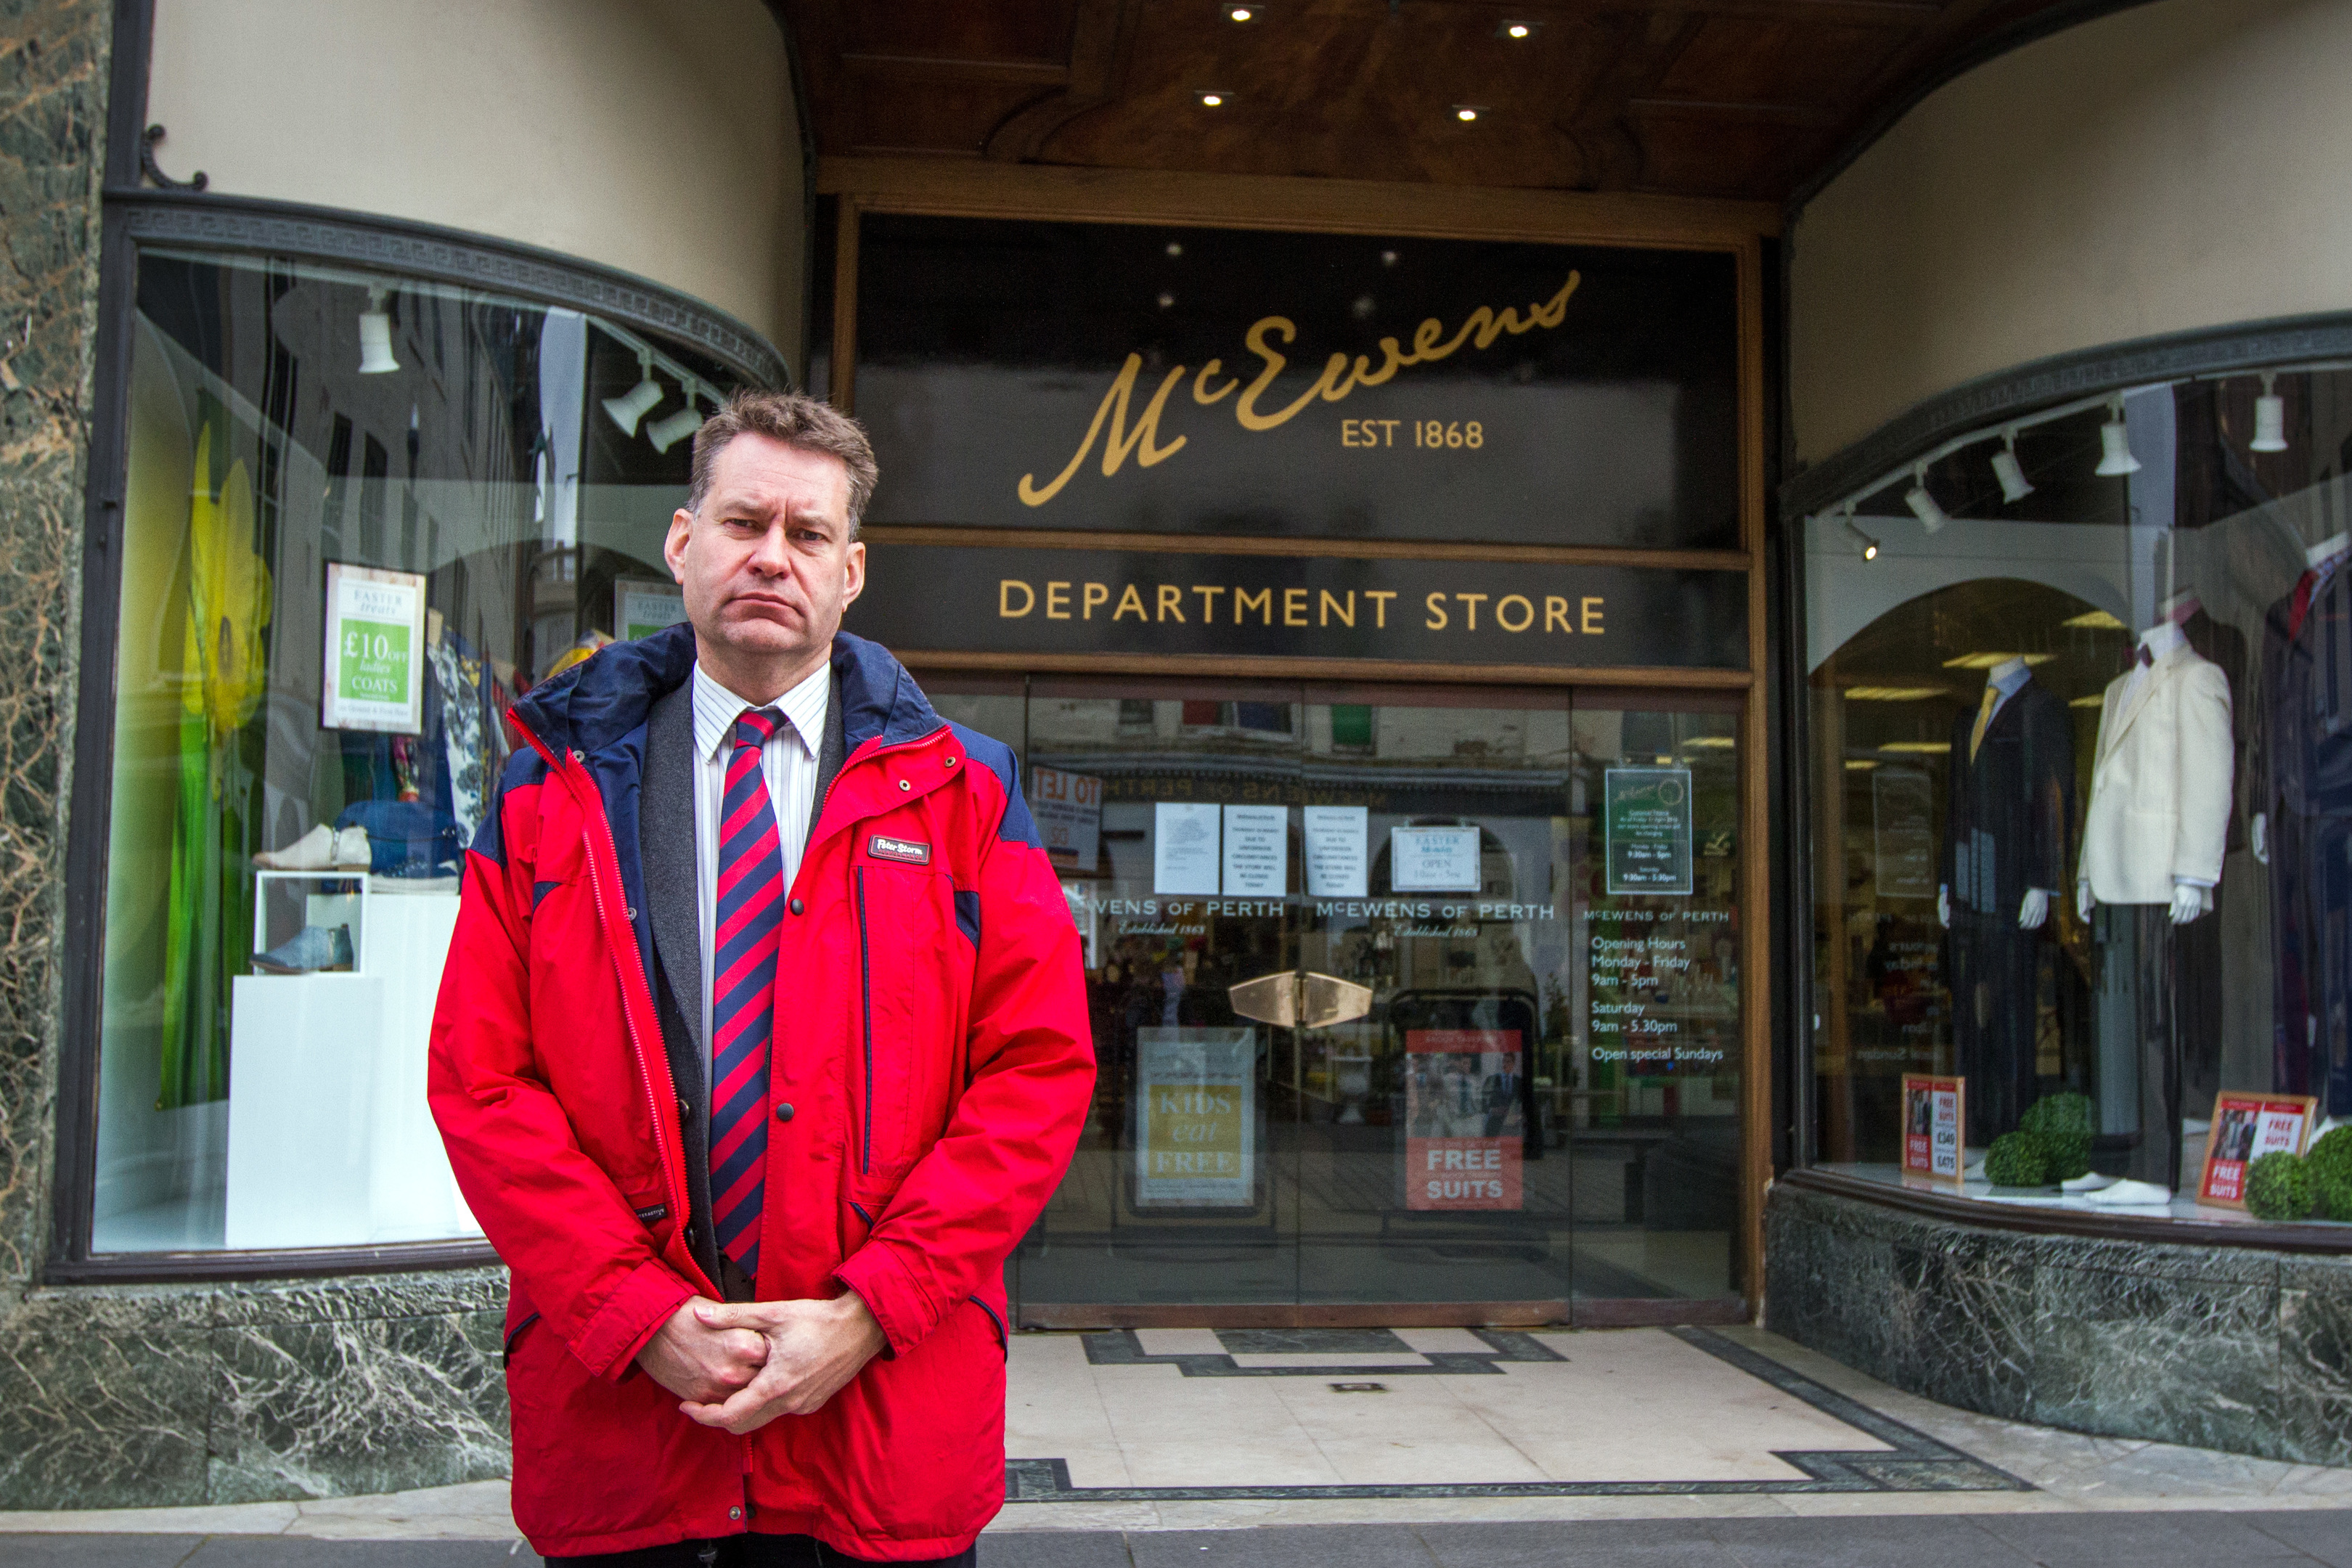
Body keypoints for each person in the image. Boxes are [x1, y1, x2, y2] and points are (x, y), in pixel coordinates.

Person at [429, 389, 1093, 1566]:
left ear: (852, 572)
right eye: (744, 523)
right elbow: (483, 1082)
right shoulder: (547, 791)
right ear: (684, 543)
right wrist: (637, 1317)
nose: (771, 558)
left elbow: (1035, 1077)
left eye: (809, 534)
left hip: (876, 1427)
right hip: (634, 1424)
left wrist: (868, 1312)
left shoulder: (963, 794)